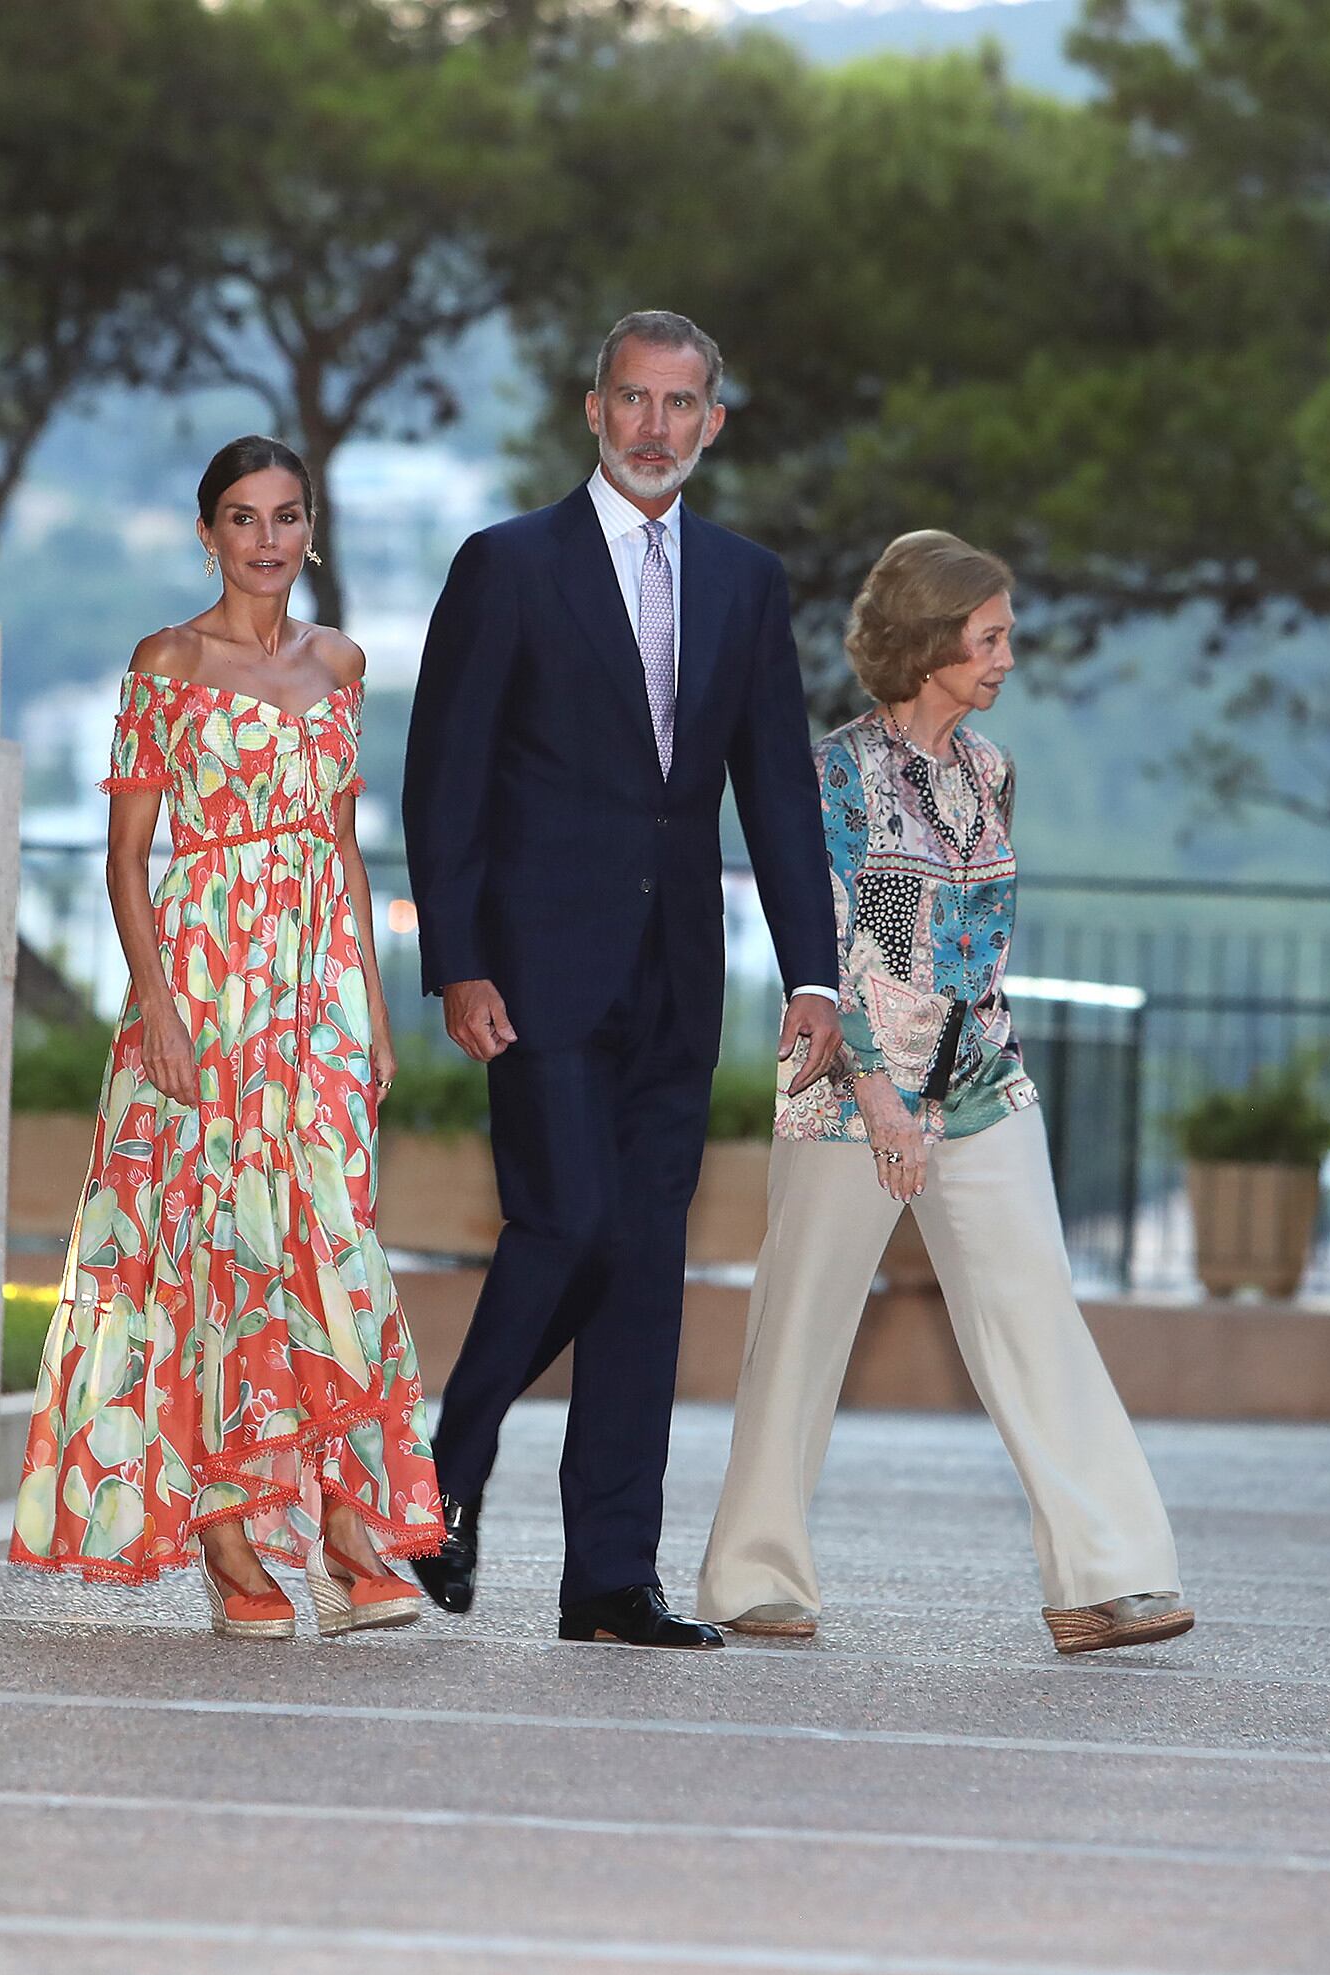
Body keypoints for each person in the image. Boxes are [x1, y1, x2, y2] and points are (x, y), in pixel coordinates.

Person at [402, 311, 842, 1649]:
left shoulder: (747, 581)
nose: (657, 427)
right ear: (593, 410)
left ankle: (607, 1579)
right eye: (635, 400)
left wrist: (815, 975)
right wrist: (457, 962)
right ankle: (445, 1463)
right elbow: (444, 780)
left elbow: (776, 788)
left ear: (715, 422)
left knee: (645, 1268)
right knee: (574, 1219)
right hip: (537, 971)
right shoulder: (507, 565)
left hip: (679, 979)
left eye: (682, 404)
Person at [695, 531, 1192, 1656]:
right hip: (851, 1089)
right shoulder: (842, 774)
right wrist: (878, 1090)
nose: (1007, 657)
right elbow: (847, 945)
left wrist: (965, 1071)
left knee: (1036, 1311)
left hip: (983, 1084)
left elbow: (979, 945)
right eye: (990, 637)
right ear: (929, 642)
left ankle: (1106, 1576)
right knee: (801, 1328)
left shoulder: (991, 770)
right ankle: (753, 1575)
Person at [11, 437, 441, 1640]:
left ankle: (345, 1526)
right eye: (243, 518)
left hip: (316, 994)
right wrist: (155, 1005)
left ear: (311, 529)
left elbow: (342, 846)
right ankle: (227, 1533)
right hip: (204, 980)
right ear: (208, 534)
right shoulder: (170, 659)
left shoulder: (342, 663)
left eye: (287, 515)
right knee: (210, 1249)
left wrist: (370, 1011)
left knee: (328, 1241)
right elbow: (125, 858)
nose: (267, 539)